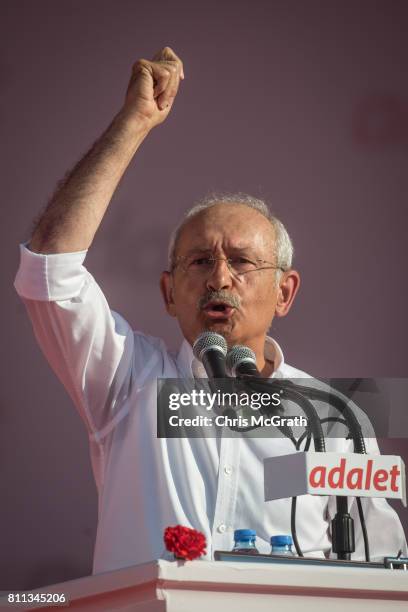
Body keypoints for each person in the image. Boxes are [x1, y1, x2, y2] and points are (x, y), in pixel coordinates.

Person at [14, 47, 406, 574]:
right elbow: (49, 269)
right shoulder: (128, 380)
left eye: (242, 262)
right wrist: (133, 125)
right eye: (200, 261)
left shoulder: (333, 417)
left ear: (285, 293)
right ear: (168, 291)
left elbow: (382, 569)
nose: (221, 277)